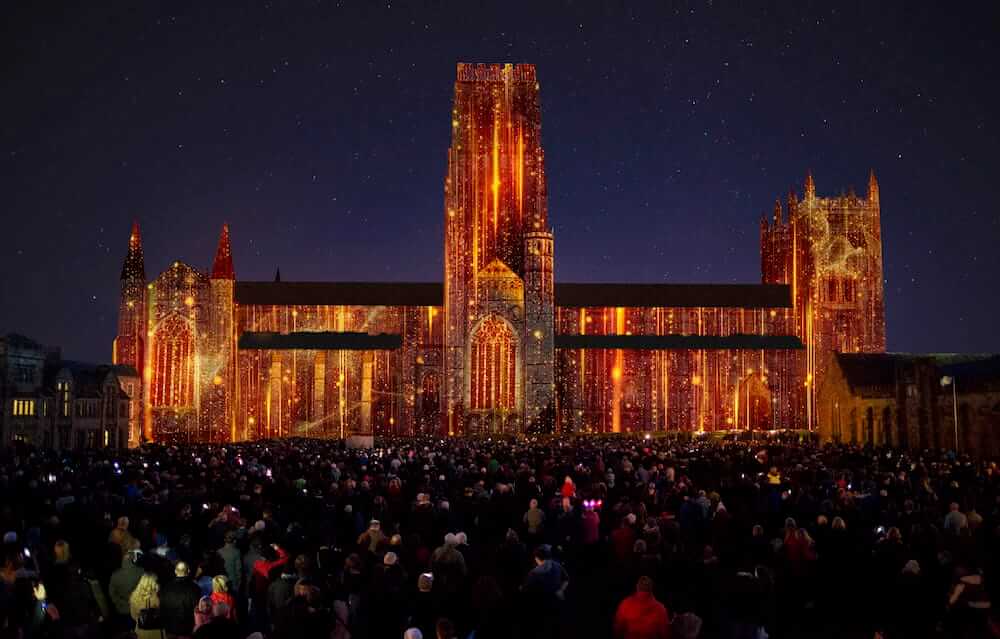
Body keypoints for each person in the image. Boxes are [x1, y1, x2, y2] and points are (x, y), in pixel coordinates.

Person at [161, 561, 203, 638]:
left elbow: (162, 608)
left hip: (170, 628)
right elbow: (197, 608)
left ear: (175, 571)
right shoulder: (195, 588)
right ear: (188, 571)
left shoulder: (165, 588)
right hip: (187, 629)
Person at [129, 572, 162, 639]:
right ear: (154, 583)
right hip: (156, 629)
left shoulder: (134, 596)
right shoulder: (158, 597)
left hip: (141, 629)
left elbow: (133, 616)